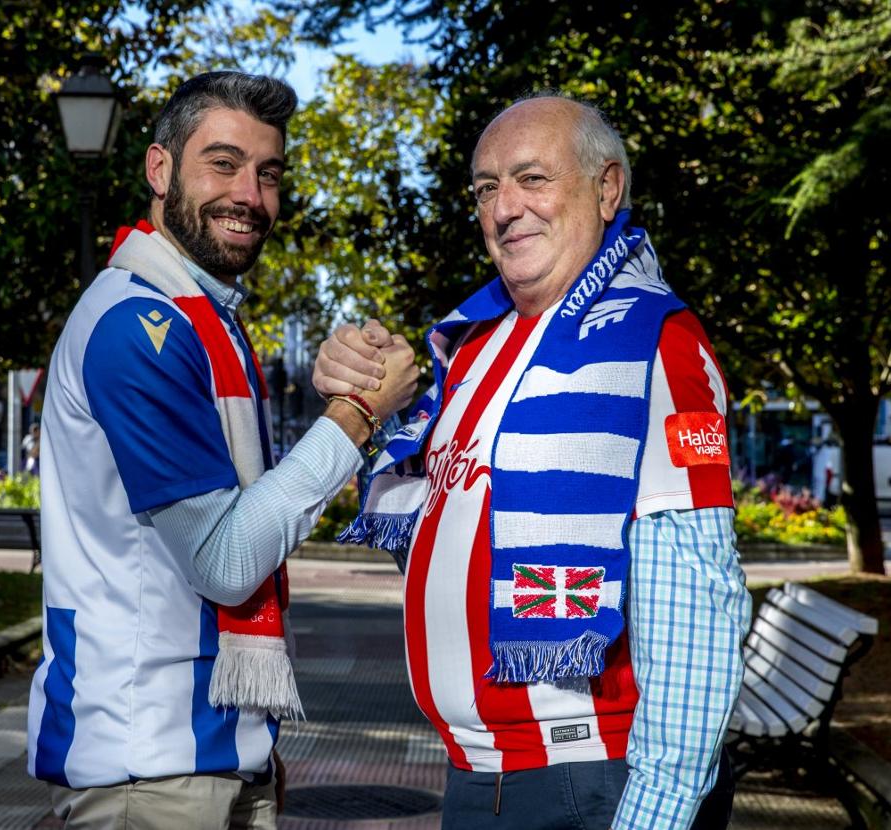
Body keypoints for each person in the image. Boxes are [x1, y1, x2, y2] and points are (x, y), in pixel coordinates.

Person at [315, 94, 751, 829]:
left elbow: (700, 610)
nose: (505, 208)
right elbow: (440, 552)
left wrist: (655, 817)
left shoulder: (653, 346)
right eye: (487, 188)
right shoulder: (477, 348)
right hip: (475, 778)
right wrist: (371, 405)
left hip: (586, 785)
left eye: (531, 179)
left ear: (606, 188)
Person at [25, 71, 418, 830]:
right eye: (224, 163)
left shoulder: (202, 319)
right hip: (150, 772)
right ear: (160, 168)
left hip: (210, 752)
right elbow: (226, 561)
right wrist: (356, 415)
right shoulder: (136, 329)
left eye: (268, 173)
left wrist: (251, 743)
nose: (250, 194)